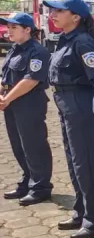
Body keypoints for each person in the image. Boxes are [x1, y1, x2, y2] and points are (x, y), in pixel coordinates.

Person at [45, 0, 94, 238]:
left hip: (80, 104)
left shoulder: (83, 42)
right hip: (65, 103)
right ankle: (82, 209)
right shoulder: (64, 39)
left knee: (86, 162)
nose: (53, 15)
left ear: (76, 16)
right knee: (74, 161)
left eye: (59, 11)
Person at [0, 13, 53, 206]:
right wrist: (2, 94)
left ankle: (41, 187)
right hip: (12, 103)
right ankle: (27, 180)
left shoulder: (37, 51)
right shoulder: (14, 49)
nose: (9, 30)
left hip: (29, 103)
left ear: (27, 29)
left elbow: (31, 80)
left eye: (14, 27)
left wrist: (7, 98)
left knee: (34, 145)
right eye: (8, 27)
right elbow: (5, 75)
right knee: (18, 145)